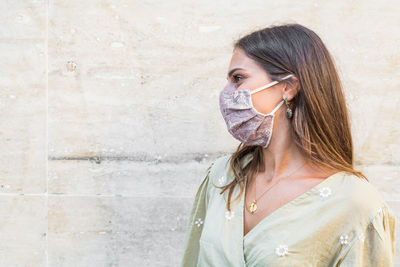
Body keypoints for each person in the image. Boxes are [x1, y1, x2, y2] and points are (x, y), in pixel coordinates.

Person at [180, 23, 396, 267]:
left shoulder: (354, 203)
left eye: (238, 78)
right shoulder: (221, 177)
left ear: (288, 87)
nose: (226, 93)